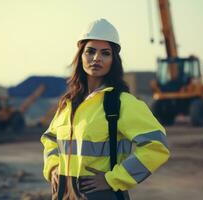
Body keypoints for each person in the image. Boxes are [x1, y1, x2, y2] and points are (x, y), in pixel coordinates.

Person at [41, 18, 170, 200]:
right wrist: (53, 167)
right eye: (90, 51)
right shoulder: (68, 103)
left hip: (100, 194)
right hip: (63, 192)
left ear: (113, 60)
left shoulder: (123, 103)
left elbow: (157, 146)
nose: (96, 58)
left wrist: (113, 179)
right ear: (81, 56)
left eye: (105, 53)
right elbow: (50, 139)